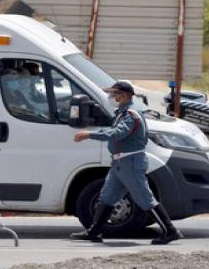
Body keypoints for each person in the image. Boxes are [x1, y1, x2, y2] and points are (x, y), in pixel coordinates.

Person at [70, 81, 182, 244]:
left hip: (130, 162)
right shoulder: (123, 113)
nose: (111, 97)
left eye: (114, 94)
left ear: (123, 96)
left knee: (145, 199)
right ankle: (94, 232)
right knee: (107, 197)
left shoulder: (131, 114)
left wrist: (90, 134)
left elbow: (118, 133)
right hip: (120, 163)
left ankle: (170, 231)